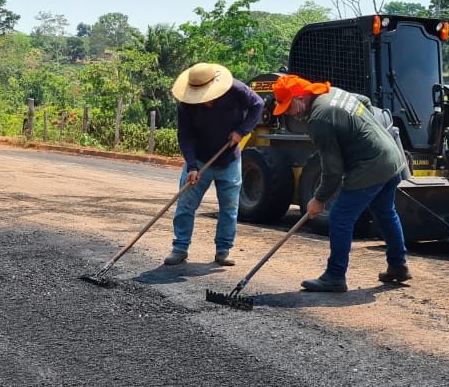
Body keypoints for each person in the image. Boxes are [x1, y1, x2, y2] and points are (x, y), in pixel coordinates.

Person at [272, 74, 410, 293]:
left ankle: (335, 276)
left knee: (340, 218)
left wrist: (318, 199)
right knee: (385, 211)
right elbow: (363, 100)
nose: (289, 112)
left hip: (371, 165)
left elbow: (332, 170)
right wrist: (357, 130)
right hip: (392, 156)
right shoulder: (332, 92)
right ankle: (398, 266)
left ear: (300, 97)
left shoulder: (319, 119)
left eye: (289, 106)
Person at [165, 62, 265, 267]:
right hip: (200, 160)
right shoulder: (186, 104)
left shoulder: (236, 90)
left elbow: (259, 105)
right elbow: (185, 136)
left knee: (229, 209)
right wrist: (192, 166)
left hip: (229, 160)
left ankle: (223, 251)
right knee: (185, 205)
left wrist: (242, 131)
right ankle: (180, 248)